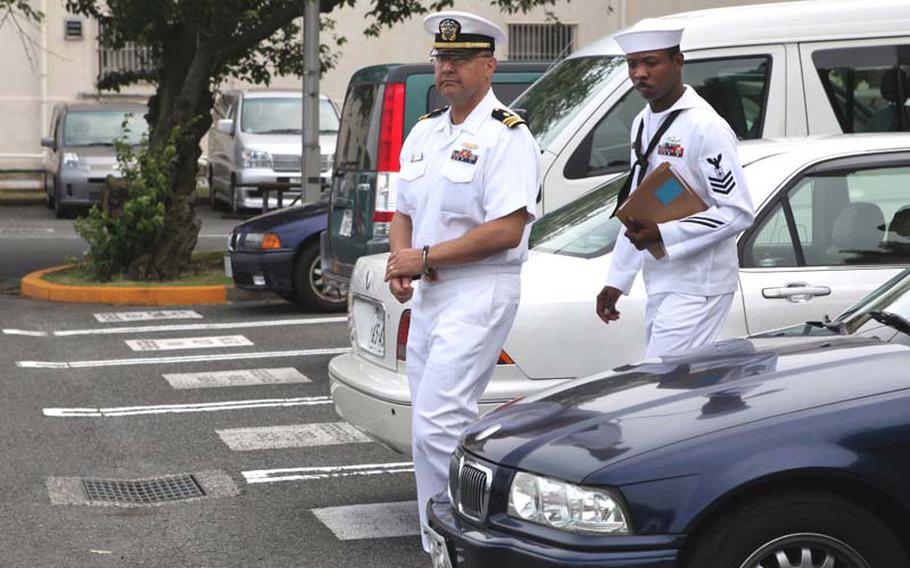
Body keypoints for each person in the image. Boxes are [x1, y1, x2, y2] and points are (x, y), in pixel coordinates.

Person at [383, 10, 541, 554]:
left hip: (480, 286)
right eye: (440, 58)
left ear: (489, 65)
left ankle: (466, 546)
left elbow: (505, 229)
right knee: (426, 430)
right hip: (432, 290)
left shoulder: (507, 136)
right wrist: (402, 260)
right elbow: (402, 208)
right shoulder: (426, 131)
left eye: (458, 58)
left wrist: (421, 257)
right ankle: (438, 548)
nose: (445, 68)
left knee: (438, 425)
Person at [595, 19, 754, 358]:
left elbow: (737, 213)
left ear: (678, 62)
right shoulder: (642, 121)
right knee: (678, 390)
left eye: (651, 62)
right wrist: (618, 279)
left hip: (700, 284)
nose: (640, 73)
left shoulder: (705, 127)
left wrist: (664, 235)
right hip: (663, 278)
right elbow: (639, 204)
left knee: (664, 384)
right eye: (633, 64)